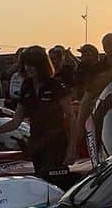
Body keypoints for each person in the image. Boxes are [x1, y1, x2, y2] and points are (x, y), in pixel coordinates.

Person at [14, 46, 70, 177]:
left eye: (31, 65)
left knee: (54, 181)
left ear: (40, 65)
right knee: (40, 179)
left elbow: (71, 117)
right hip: (36, 144)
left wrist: (72, 148)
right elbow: (16, 120)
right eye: (25, 64)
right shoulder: (26, 86)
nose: (27, 68)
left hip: (56, 144)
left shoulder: (55, 85)